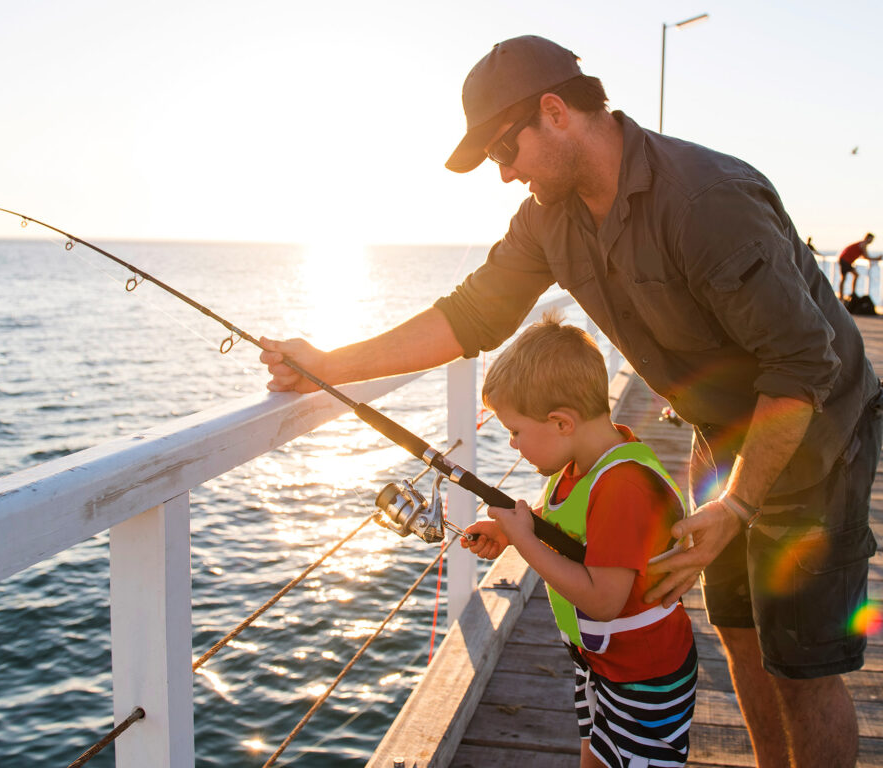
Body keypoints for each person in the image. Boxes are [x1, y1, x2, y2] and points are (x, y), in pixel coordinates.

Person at [261, 35, 881, 766]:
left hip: (813, 433)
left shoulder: (705, 201)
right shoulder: (549, 218)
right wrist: (330, 362)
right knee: (742, 639)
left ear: (555, 113)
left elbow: (807, 360)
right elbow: (471, 316)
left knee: (801, 670)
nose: (502, 175)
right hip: (721, 430)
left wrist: (738, 506)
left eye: (503, 150)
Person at [463, 313, 697, 768]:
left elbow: (605, 601)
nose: (512, 445)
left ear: (561, 423)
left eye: (515, 431)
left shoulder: (622, 486)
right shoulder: (577, 469)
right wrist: (511, 534)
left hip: (644, 679)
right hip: (600, 665)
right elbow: (569, 531)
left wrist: (525, 543)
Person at [837, 232, 877, 299]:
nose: (871, 241)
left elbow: (863, 256)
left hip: (845, 260)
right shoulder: (863, 244)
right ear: (867, 238)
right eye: (871, 239)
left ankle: (849, 294)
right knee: (846, 278)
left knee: (852, 276)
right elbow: (866, 256)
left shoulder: (861, 243)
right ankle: (844, 295)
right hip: (845, 260)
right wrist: (877, 258)